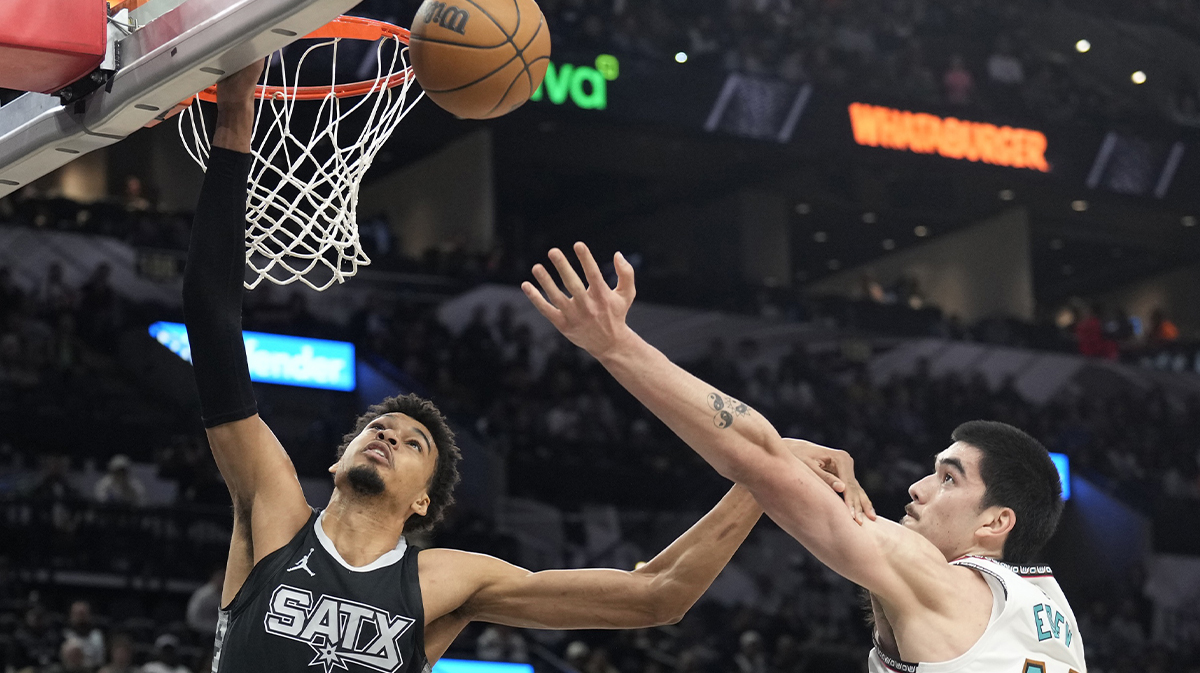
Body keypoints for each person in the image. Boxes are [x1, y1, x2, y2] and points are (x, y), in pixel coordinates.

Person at [183, 62, 869, 673]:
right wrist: (238, 121)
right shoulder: (274, 511)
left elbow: (657, 595)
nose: (387, 434)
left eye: (411, 440)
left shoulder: (447, 581)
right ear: (337, 461)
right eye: (378, 427)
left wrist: (765, 473)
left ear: (424, 501)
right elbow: (213, 324)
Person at [522, 243, 1085, 673]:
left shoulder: (944, 584)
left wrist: (616, 346)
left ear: (996, 521)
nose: (916, 488)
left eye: (947, 479)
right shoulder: (1056, 619)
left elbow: (754, 455)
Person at [63, 600, 106, 668]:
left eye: (83, 614)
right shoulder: (64, 635)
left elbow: (100, 661)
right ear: (71, 616)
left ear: (89, 615)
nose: (80, 618)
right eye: (77, 614)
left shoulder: (97, 636)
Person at [185, 567, 224, 635]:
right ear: (214, 579)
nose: (223, 581)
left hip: (217, 629)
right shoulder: (204, 595)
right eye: (221, 579)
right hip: (200, 630)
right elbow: (193, 618)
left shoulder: (226, 594)